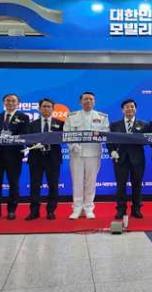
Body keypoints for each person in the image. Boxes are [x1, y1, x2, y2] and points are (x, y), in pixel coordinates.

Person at [0, 93, 30, 220]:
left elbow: (25, 135)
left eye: (13, 101)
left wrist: (11, 137)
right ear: (4, 102)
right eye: (8, 100)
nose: (10, 103)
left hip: (14, 155)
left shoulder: (23, 117)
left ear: (17, 103)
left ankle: (11, 210)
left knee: (13, 183)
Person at [64, 91, 110, 220]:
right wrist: (73, 145)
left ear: (94, 102)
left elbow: (106, 133)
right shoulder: (72, 116)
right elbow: (66, 133)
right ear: (80, 102)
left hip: (93, 152)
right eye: (85, 99)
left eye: (91, 99)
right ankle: (77, 208)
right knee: (77, 182)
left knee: (91, 182)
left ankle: (89, 208)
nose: (88, 101)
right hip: (76, 153)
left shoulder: (102, 117)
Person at [107, 99, 147, 219]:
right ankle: (121, 209)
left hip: (138, 159)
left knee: (137, 185)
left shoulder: (144, 125)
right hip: (120, 159)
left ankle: (136, 209)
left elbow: (148, 140)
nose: (130, 109)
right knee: (121, 186)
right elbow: (109, 140)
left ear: (136, 109)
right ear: (122, 110)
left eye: (132, 106)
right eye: (127, 107)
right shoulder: (114, 125)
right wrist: (112, 151)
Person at [26, 98, 64, 221]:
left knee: (53, 185)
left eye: (49, 106)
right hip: (36, 158)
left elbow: (64, 139)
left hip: (53, 158)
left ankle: (51, 211)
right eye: (44, 106)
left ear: (53, 109)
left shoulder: (61, 123)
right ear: (39, 108)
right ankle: (34, 211)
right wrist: (34, 144)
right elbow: (26, 141)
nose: (46, 108)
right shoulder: (32, 124)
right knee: (35, 185)